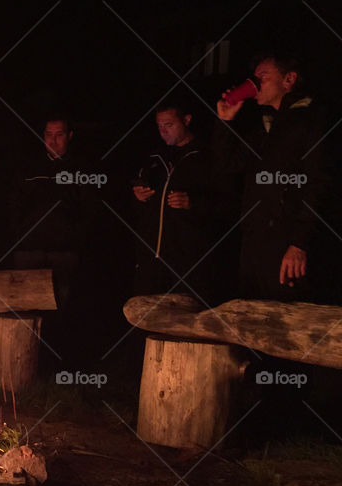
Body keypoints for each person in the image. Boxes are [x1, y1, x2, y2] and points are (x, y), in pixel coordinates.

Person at [214, 54, 328, 301]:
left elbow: (318, 184)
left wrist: (300, 243)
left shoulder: (312, 121)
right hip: (255, 242)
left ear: (289, 79)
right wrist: (225, 121)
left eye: (263, 76)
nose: (255, 82)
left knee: (288, 322)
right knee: (254, 318)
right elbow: (227, 164)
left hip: (287, 244)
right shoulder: (266, 126)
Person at [131, 102, 216, 301]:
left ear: (186, 120)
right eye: (159, 126)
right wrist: (137, 198)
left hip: (189, 263)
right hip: (152, 261)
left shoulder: (206, 157)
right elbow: (137, 210)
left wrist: (193, 203)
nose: (163, 131)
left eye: (169, 125)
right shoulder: (154, 158)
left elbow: (227, 205)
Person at [12, 117, 97, 307]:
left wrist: (75, 238)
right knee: (25, 305)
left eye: (59, 135)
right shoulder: (28, 167)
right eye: (49, 135)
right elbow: (14, 205)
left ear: (69, 136)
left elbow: (90, 210)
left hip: (64, 253)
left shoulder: (81, 170)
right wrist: (20, 235)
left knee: (60, 304)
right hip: (29, 250)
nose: (53, 140)